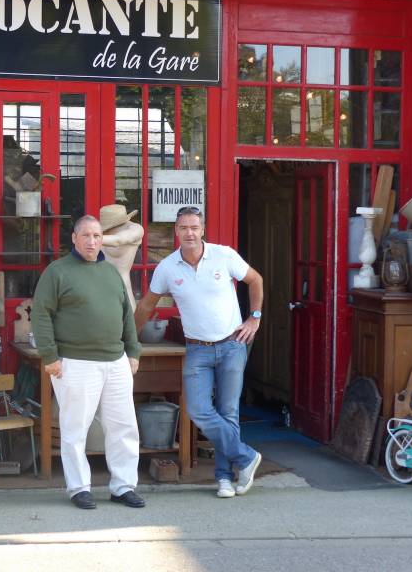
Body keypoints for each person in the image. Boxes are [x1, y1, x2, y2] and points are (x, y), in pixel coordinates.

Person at [135, 206, 264, 499]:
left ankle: (224, 478)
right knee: (198, 410)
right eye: (183, 228)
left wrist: (254, 317)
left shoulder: (224, 255)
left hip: (232, 344)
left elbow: (255, 280)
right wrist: (126, 337)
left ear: (202, 229)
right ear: (176, 232)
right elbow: (146, 306)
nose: (189, 233)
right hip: (197, 350)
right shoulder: (167, 267)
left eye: (194, 227)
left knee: (228, 412)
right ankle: (245, 457)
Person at [31, 215, 145, 510]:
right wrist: (49, 356)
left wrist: (133, 351)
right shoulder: (57, 272)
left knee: (124, 427)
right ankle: (79, 488)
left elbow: (125, 316)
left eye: (97, 236)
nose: (92, 241)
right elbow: (41, 315)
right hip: (74, 362)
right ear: (74, 238)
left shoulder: (110, 273)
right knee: (75, 428)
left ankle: (123, 486)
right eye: (86, 236)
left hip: (115, 360)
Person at [99, 204, 144, 310]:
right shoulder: (99, 231)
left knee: (124, 323)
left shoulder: (135, 229)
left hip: (121, 286)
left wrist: (88, 238)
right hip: (97, 286)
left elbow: (118, 240)